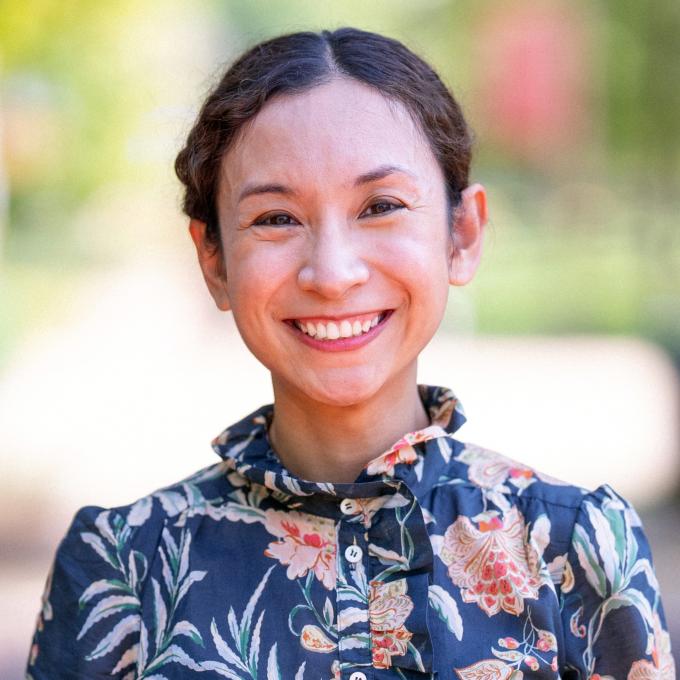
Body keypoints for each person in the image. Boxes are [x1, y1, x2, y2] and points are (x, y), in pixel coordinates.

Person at [26, 27, 674, 680]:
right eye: (276, 218)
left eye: (381, 206)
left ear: (463, 234)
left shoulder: (573, 548)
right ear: (213, 259)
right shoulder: (122, 567)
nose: (332, 273)